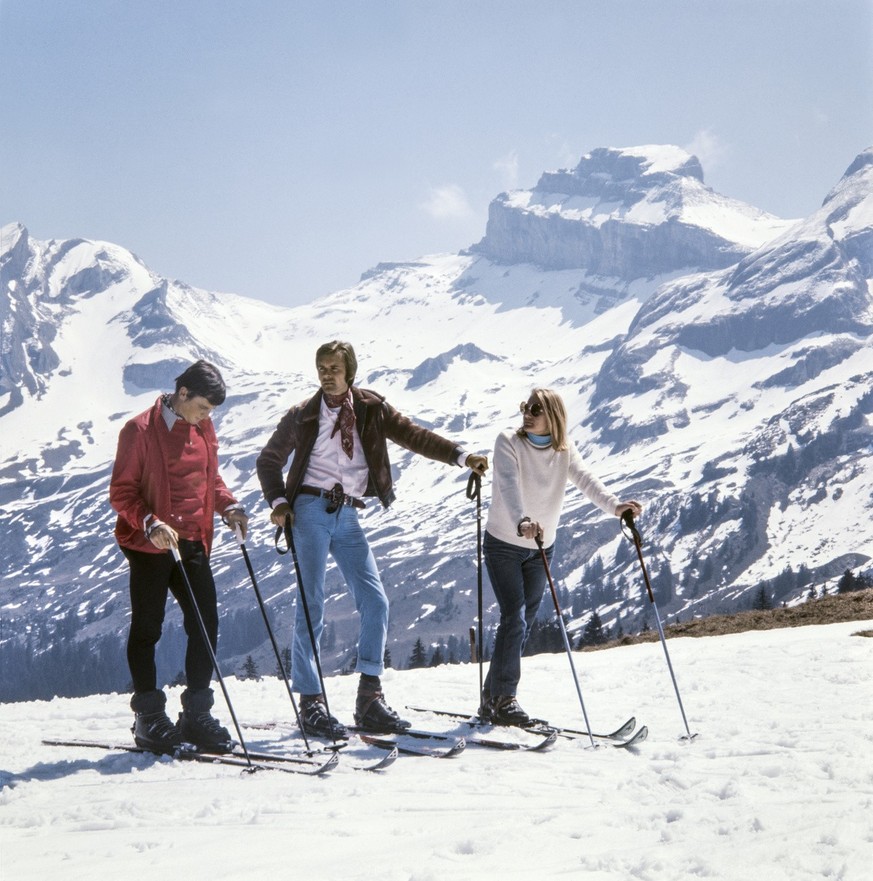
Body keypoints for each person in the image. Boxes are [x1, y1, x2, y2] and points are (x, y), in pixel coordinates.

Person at [256, 340, 488, 737]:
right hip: (309, 510)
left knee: (375, 602)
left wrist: (463, 457)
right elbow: (268, 460)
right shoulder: (302, 414)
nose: (326, 374)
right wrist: (279, 502)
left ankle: (369, 699)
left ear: (350, 371)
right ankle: (311, 703)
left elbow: (415, 436)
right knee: (311, 604)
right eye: (321, 367)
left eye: (334, 367)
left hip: (347, 512)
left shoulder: (372, 409)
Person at [480, 388, 641, 726]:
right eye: (525, 406)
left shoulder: (564, 451)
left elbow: (587, 481)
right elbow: (507, 485)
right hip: (504, 543)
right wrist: (521, 520)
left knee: (520, 626)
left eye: (536, 408)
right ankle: (505, 700)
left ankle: (492, 698)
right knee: (515, 618)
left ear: (553, 415)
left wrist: (616, 507)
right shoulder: (508, 440)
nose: (527, 412)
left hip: (541, 549)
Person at [109, 360, 249, 753]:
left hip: (191, 541)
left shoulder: (203, 428)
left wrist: (229, 508)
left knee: (205, 623)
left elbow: (209, 480)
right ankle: (149, 718)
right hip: (151, 543)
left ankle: (196, 716)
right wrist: (150, 522)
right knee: (148, 627)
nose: (207, 416)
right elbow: (121, 493)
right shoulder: (138, 431)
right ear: (182, 393)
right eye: (203, 407)